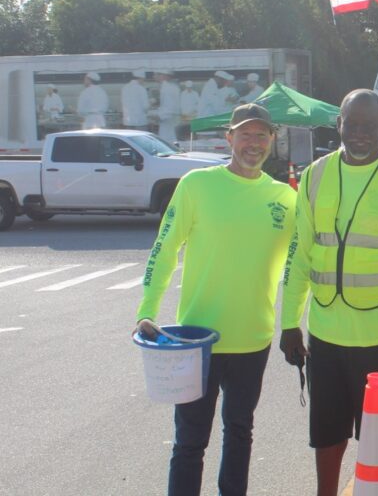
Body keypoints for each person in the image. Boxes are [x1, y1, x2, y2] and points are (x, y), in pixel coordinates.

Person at [279, 88, 378, 496]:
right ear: (339, 124)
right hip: (326, 336)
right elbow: (302, 253)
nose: (360, 133)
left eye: (369, 126)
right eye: (351, 124)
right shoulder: (315, 175)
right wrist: (289, 324)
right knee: (327, 433)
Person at [134, 103, 296, 496]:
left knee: (239, 433)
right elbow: (165, 248)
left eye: (262, 135)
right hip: (195, 342)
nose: (253, 143)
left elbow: (301, 266)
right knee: (189, 443)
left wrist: (297, 322)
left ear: (272, 140)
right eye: (245, 134)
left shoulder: (286, 199)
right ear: (229, 138)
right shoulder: (196, 185)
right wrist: (146, 311)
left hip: (253, 339)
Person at [155, 70, 181, 143]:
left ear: (163, 76)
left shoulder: (167, 88)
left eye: (156, 74)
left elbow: (169, 107)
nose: (154, 77)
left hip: (168, 120)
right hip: (169, 119)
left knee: (167, 142)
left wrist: (159, 116)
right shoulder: (169, 87)